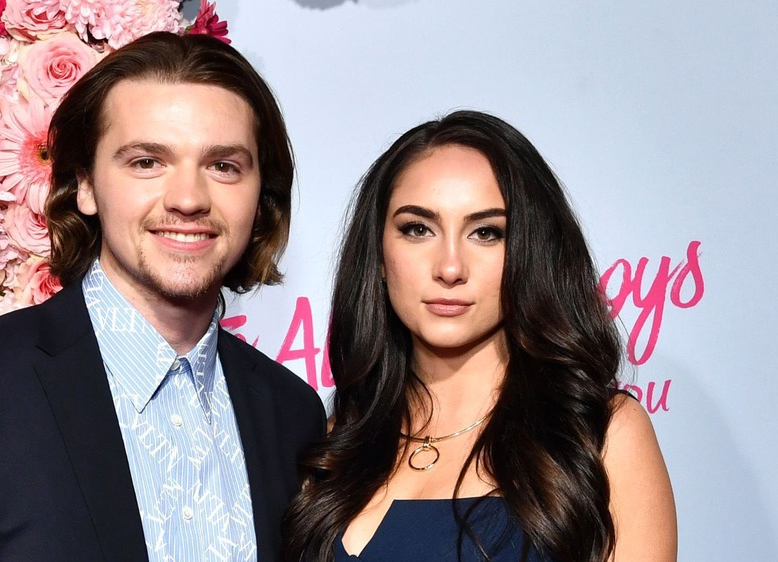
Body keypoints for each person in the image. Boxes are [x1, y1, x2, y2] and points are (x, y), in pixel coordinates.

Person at [0, 32, 325, 562]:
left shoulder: (291, 413)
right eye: (146, 162)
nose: (188, 199)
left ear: (260, 196)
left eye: (223, 166)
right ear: (86, 186)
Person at [282, 111, 676, 561]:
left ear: (530, 252)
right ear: (378, 250)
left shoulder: (599, 434)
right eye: (418, 229)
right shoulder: (338, 442)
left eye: (486, 233)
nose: (450, 268)